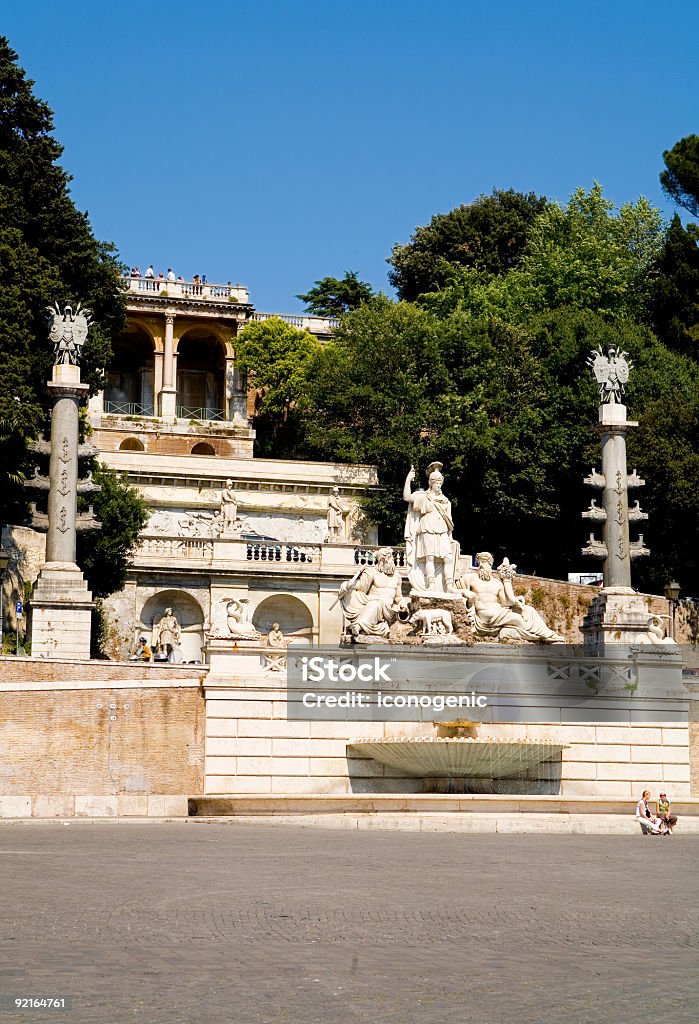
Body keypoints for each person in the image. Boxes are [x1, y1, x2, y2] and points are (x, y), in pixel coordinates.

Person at [457, 553, 565, 643]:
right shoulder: (470, 578)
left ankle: (547, 634)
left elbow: (506, 602)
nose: (483, 565)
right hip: (485, 616)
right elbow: (452, 591)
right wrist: (464, 591)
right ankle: (542, 635)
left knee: (529, 610)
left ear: (491, 565)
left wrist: (514, 596)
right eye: (481, 562)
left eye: (487, 562)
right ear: (478, 563)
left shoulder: (497, 583)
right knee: (517, 618)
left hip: (499, 612)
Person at [403, 462, 458, 594]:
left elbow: (449, 522)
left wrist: (451, 538)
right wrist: (408, 480)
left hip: (443, 529)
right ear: (431, 483)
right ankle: (431, 584)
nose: (439, 485)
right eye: (436, 483)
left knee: (448, 558)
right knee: (430, 557)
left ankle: (449, 585)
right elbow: (407, 497)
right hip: (427, 527)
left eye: (440, 483)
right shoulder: (424, 497)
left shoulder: (446, 501)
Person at [339, 547, 406, 639]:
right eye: (386, 559)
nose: (389, 561)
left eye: (390, 558)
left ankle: (359, 626)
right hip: (371, 601)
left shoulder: (397, 576)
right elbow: (360, 586)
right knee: (373, 603)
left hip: (387, 609)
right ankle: (360, 625)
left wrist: (403, 604)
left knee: (376, 604)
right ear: (380, 560)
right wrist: (346, 584)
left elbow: (398, 597)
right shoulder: (372, 572)